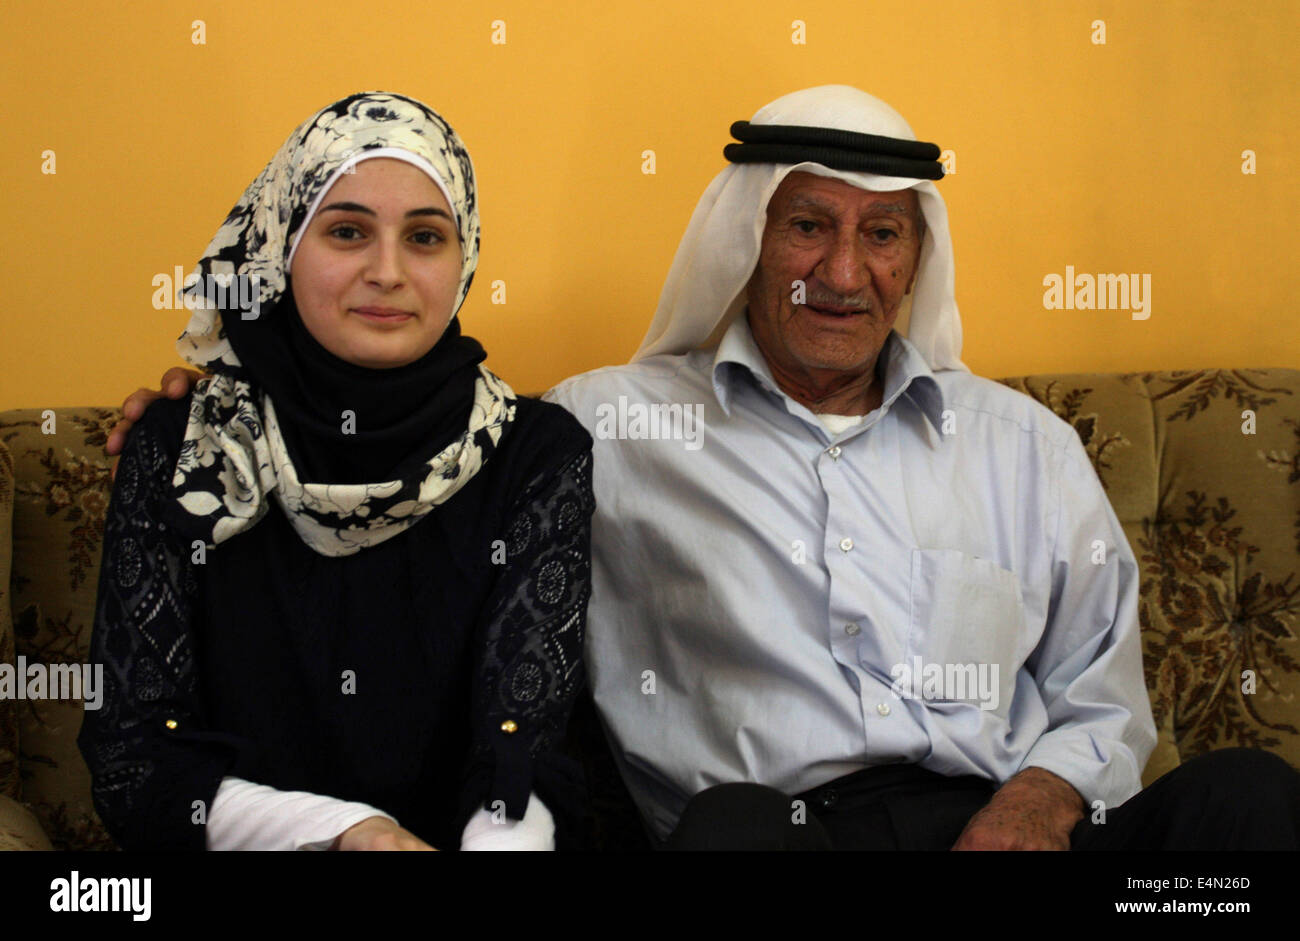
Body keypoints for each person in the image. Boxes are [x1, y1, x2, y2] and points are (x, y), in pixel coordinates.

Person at [111, 86, 1300, 850]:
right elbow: (410, 459)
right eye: (805, 226)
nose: (842, 270)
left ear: (913, 254)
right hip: (783, 836)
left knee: (1245, 804)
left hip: (1026, 833)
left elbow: (1101, 696)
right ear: (745, 239)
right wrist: (209, 405)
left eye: (881, 232)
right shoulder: (594, 434)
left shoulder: (1023, 447)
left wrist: (1032, 811)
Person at [79, 91, 595, 851]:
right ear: (282, 245)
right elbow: (135, 756)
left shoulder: (535, 454)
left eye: (425, 236)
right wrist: (346, 831)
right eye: (348, 231)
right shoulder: (189, 448)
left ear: (466, 257)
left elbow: (524, 744)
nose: (387, 271)